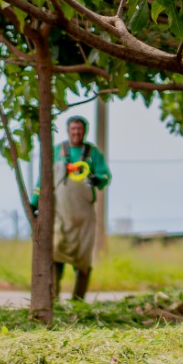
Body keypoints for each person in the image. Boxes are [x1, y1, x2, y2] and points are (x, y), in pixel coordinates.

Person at [32, 114, 110, 301]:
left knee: (83, 259)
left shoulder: (93, 153)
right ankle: (53, 299)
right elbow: (43, 179)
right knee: (56, 254)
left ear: (84, 131)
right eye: (73, 129)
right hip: (60, 215)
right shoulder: (57, 150)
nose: (76, 132)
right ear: (68, 130)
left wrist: (97, 179)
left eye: (80, 129)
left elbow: (106, 176)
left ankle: (78, 301)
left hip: (83, 218)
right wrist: (34, 202)